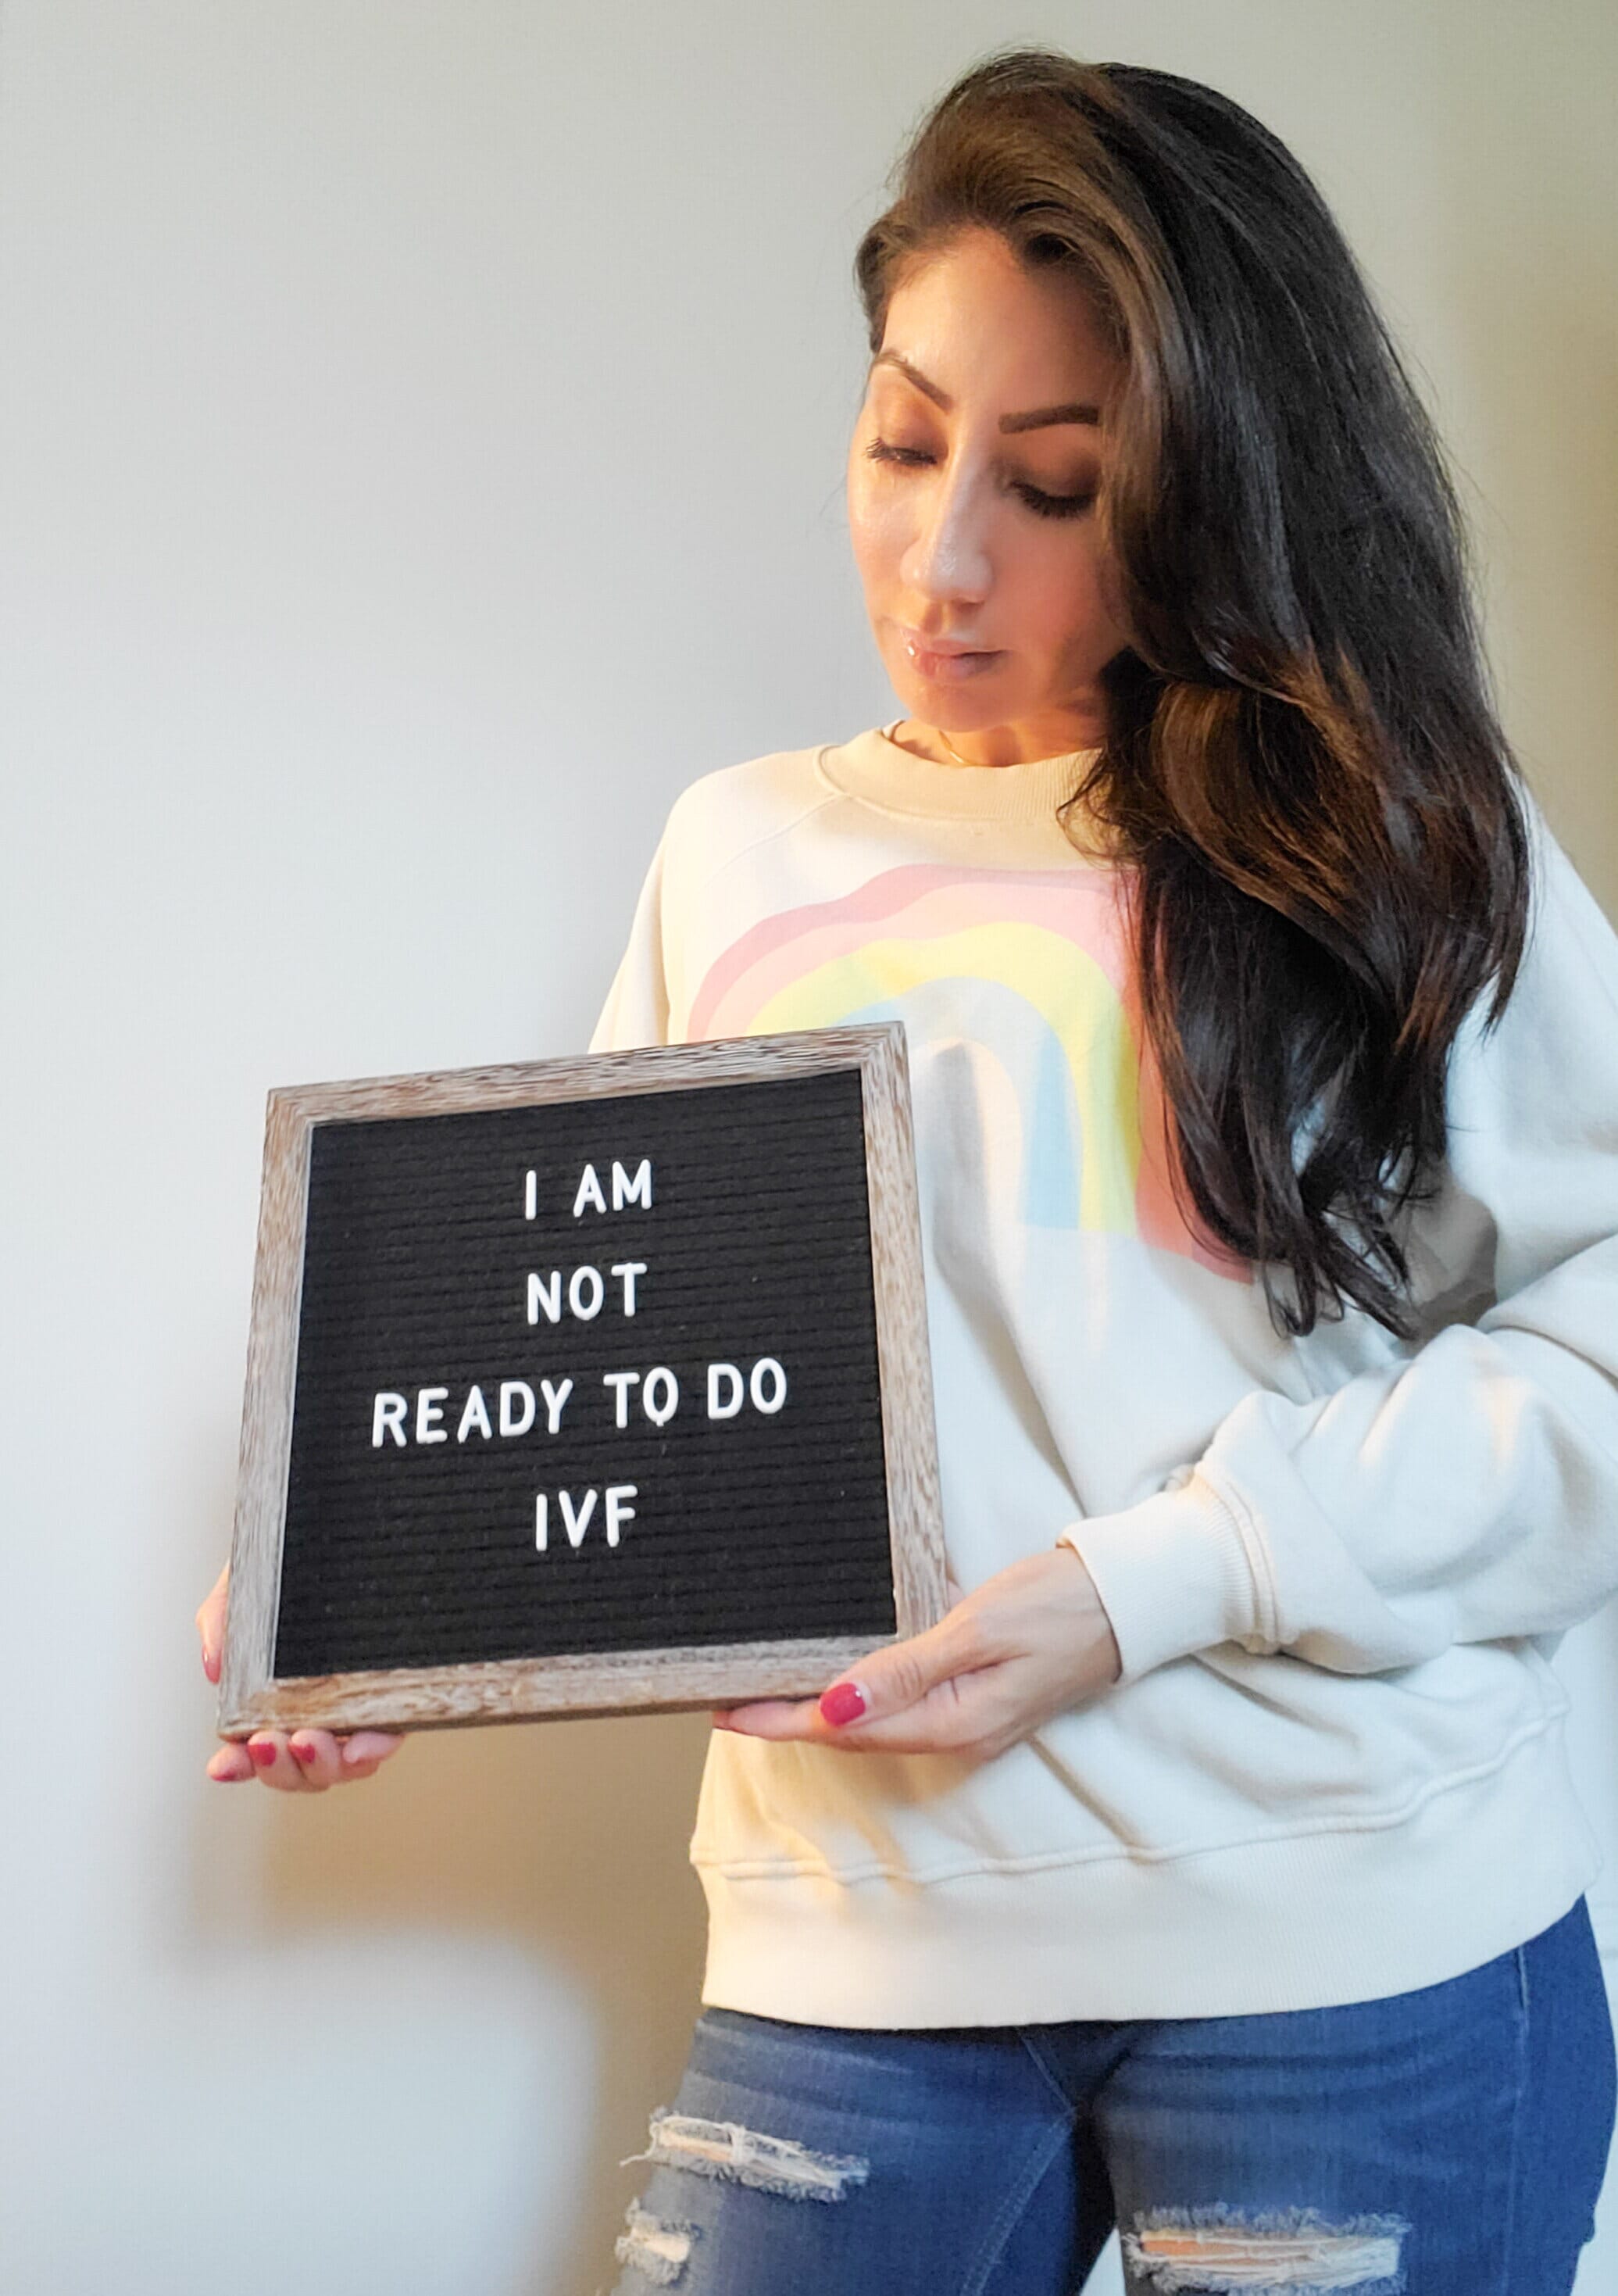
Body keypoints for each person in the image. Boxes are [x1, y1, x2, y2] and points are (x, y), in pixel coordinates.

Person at [196, 46, 1618, 2293]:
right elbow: (620, 1327)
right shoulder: (738, 847)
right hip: (848, 1958)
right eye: (898, 439)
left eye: (1053, 485)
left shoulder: (1397, 846)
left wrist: (1174, 1570)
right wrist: (381, 1585)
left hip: (1349, 1941)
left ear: (1216, 490)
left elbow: (1588, 1352)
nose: (941, 556)